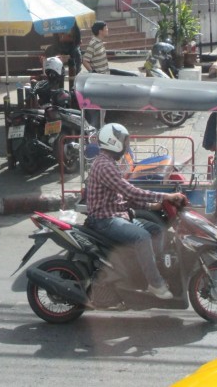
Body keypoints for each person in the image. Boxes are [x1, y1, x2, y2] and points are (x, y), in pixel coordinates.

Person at [85, 123, 187, 300]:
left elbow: (123, 196)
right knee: (142, 237)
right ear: (113, 142)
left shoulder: (109, 163)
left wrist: (150, 206)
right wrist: (165, 197)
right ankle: (155, 284)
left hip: (117, 214)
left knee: (156, 230)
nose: (126, 146)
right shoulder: (104, 166)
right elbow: (130, 191)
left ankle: (145, 270)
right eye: (124, 142)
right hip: (104, 220)